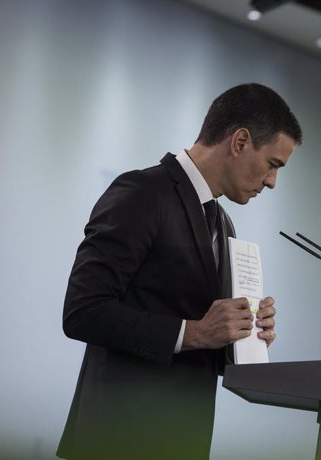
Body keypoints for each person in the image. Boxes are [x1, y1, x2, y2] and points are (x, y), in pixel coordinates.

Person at [57, 83, 302, 460]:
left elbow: (202, 347)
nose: (272, 182)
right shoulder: (142, 192)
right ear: (239, 142)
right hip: (115, 439)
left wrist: (243, 338)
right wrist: (195, 332)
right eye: (273, 164)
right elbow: (83, 312)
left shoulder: (224, 224)